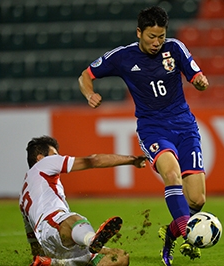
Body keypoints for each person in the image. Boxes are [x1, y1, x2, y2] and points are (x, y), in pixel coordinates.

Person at [78, 6, 209, 266]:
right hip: (154, 128)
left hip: (185, 126)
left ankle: (170, 235)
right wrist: (89, 94)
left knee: (198, 199)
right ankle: (186, 236)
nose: (156, 42)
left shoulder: (175, 49)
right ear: (139, 32)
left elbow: (196, 74)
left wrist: (200, 81)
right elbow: (86, 75)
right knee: (171, 175)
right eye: (151, 36)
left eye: (161, 36)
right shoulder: (122, 57)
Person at [19, 135, 147, 266]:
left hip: (55, 243)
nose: (58, 157)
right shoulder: (44, 164)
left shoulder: (23, 196)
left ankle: (56, 263)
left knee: (120, 257)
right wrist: (132, 160)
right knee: (75, 219)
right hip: (55, 226)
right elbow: (93, 160)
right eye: (55, 155)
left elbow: (32, 239)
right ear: (40, 158)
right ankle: (92, 240)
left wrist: (38, 257)